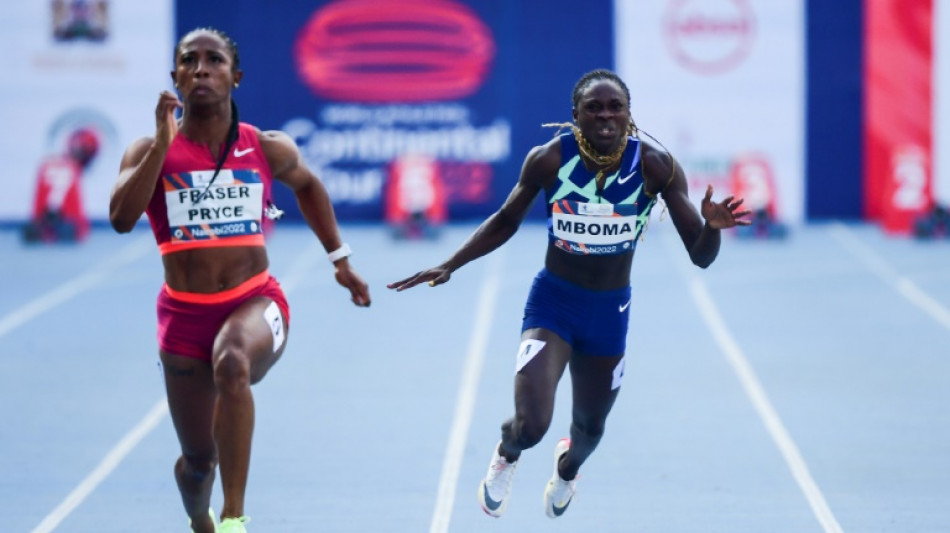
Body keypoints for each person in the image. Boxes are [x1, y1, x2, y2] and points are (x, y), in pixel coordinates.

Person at [388, 69, 750, 519]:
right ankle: (506, 453)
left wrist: (712, 229)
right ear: (575, 115)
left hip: (610, 314)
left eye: (615, 107)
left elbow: (700, 256)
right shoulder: (549, 159)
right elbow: (504, 220)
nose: (605, 116)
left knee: (590, 430)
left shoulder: (656, 166)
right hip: (553, 304)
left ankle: (567, 469)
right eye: (594, 108)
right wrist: (450, 263)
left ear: (628, 114)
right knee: (532, 424)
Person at [110, 27, 371, 533]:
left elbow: (310, 186)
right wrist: (163, 143)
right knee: (196, 465)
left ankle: (234, 518)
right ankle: (201, 516)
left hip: (256, 302)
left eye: (214, 61)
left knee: (231, 364)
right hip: (183, 320)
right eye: (189, 61)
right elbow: (121, 218)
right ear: (175, 78)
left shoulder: (265, 147)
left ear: (236, 77)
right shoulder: (148, 151)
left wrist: (340, 260)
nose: (201, 69)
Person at [22, 127, 99, 244]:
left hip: (43, 217)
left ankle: (44, 228)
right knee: (72, 231)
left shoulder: (46, 164)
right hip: (68, 219)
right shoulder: (73, 168)